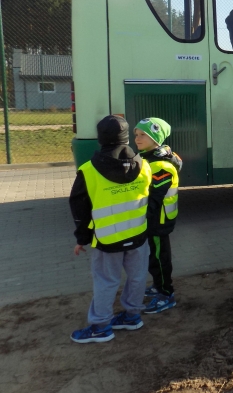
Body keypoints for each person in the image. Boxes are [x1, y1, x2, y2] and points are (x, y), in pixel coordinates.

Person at [69, 115, 152, 343]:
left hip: (107, 240)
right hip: (138, 235)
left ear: (100, 138)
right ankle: (132, 316)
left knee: (106, 281)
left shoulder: (88, 170)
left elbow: (79, 207)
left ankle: (100, 327)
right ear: (126, 137)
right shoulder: (144, 166)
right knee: (137, 277)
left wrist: (82, 237)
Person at [134, 117, 182, 314]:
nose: (137, 138)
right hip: (152, 219)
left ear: (156, 138)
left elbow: (155, 197)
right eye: (136, 134)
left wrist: (141, 216)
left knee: (160, 259)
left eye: (143, 135)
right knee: (153, 256)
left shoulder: (161, 165)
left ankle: (166, 293)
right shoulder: (146, 157)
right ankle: (157, 285)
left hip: (158, 220)